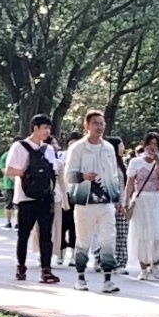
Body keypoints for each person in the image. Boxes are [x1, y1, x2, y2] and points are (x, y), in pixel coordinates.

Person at [58, 111, 125, 287]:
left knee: (107, 240)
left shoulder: (109, 148)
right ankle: (80, 277)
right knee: (83, 240)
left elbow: (113, 176)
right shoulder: (77, 148)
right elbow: (68, 176)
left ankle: (108, 279)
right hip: (85, 202)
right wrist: (84, 176)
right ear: (86, 125)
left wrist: (117, 199)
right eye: (95, 123)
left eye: (102, 123)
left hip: (106, 202)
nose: (99, 127)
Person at [2, 114, 64, 284]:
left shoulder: (49, 149)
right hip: (25, 197)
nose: (47, 131)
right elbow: (8, 170)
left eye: (49, 128)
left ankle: (46, 269)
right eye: (44, 128)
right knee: (23, 234)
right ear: (35, 128)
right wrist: (25, 173)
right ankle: (21, 266)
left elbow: (54, 172)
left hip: (45, 197)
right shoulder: (19, 147)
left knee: (46, 235)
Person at [125, 133, 159, 280]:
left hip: (156, 199)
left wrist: (157, 161)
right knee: (141, 233)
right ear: (145, 145)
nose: (152, 147)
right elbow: (130, 183)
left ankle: (156, 264)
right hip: (141, 199)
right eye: (150, 143)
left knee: (158, 233)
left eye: (156, 144)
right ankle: (143, 267)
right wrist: (126, 200)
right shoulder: (135, 162)